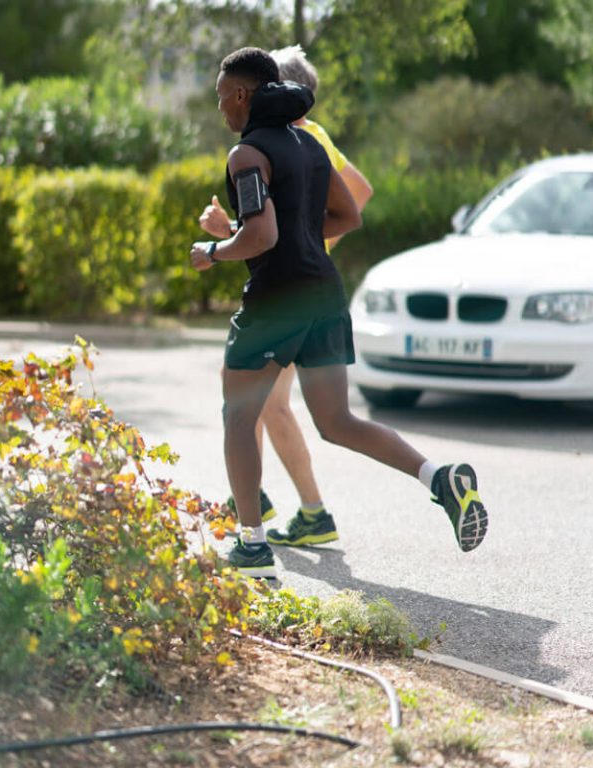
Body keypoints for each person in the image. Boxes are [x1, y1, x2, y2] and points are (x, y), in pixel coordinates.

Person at [190, 47, 488, 579]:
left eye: (221, 98)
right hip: (325, 295)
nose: (220, 109)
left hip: (277, 300)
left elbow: (260, 233)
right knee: (338, 422)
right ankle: (437, 478)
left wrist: (212, 251)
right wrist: (298, 239)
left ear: (241, 94)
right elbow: (348, 215)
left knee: (239, 412)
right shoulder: (309, 145)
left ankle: (253, 546)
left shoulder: (246, 156)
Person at [199, 44, 373, 548]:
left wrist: (306, 243)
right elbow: (343, 201)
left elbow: (352, 197)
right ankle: (273, 504)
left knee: (264, 405)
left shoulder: (299, 136)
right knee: (266, 404)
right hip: (306, 286)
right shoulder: (300, 136)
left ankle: (291, 511)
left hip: (294, 293)